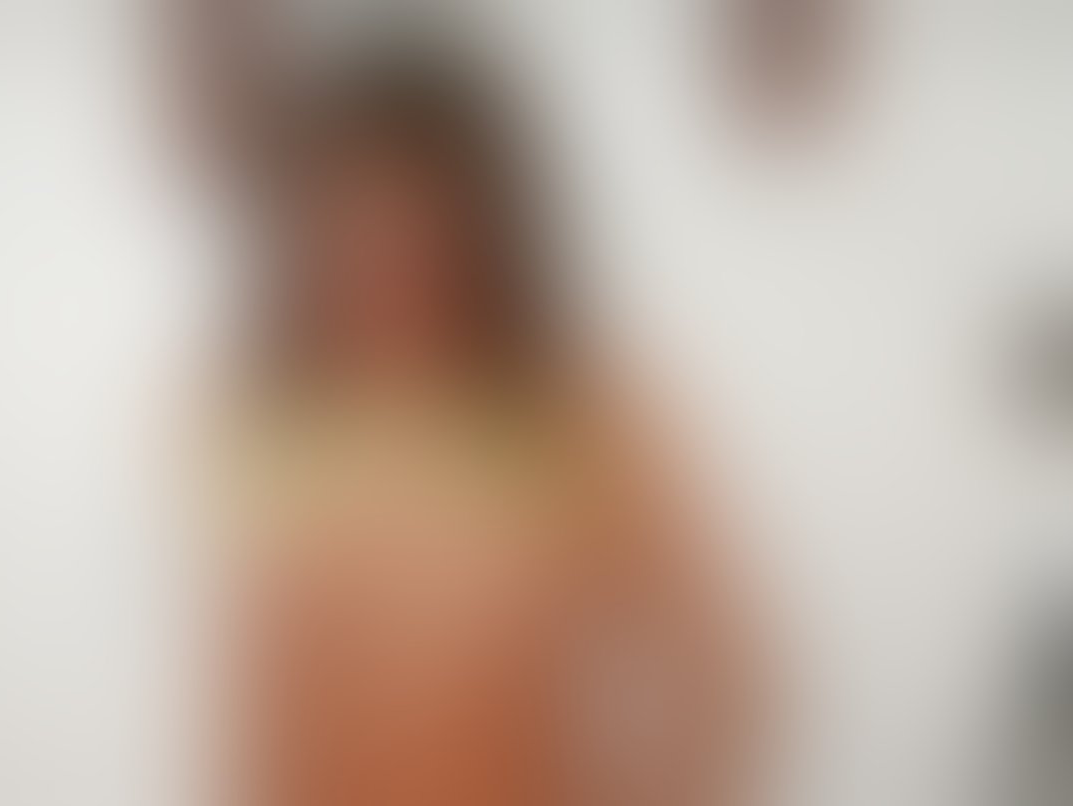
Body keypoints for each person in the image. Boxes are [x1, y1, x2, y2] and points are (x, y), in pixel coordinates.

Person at [171, 3, 768, 804]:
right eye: (347, 215)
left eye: (413, 213)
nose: (378, 247)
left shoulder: (579, 410)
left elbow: (721, 674)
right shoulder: (271, 420)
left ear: (481, 219)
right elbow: (258, 711)